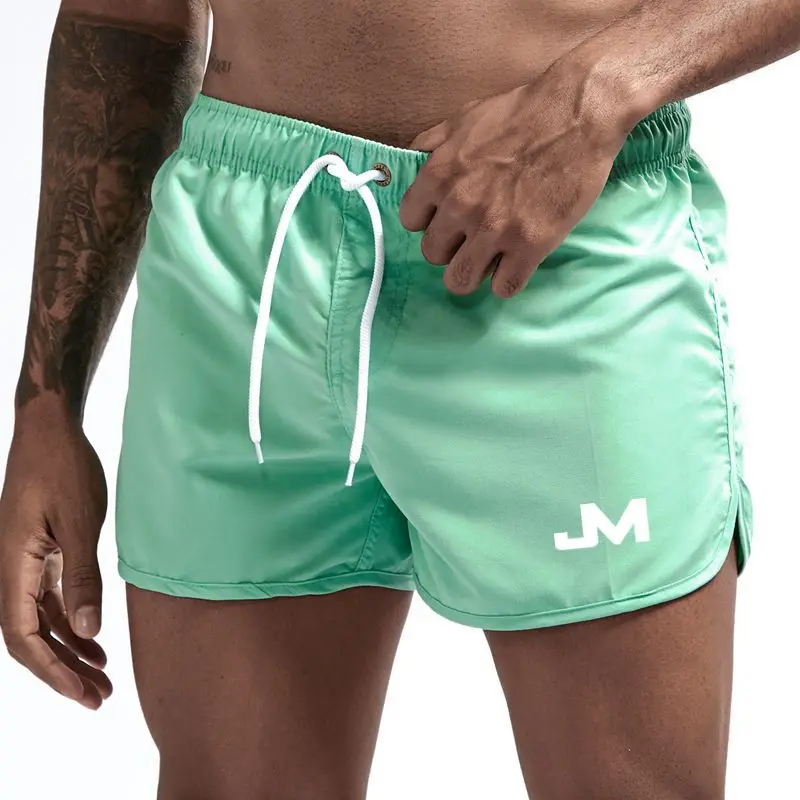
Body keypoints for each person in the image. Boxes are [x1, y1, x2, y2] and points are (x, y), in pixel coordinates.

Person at [0, 0, 795, 796]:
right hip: (239, 268)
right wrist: (46, 405)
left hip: (549, 240)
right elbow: (125, 17)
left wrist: (601, 91)